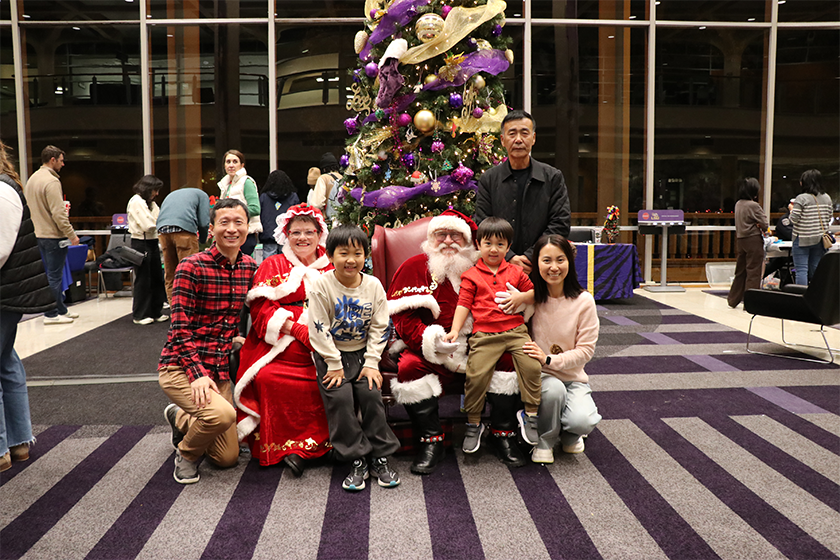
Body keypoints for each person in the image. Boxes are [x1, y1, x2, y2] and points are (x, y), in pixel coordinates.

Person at [388, 209, 530, 473]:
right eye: (441, 234)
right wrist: (430, 341)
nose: (448, 240)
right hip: (433, 350)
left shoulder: (489, 266)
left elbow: (518, 304)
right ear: (430, 238)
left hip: (485, 343)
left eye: (456, 235)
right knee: (408, 367)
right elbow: (403, 319)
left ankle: (503, 435)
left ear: (469, 241)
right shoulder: (413, 268)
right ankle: (431, 441)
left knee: (511, 360)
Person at [158, 198, 257, 484]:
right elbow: (179, 327)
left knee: (227, 458)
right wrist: (197, 374)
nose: (232, 229)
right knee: (223, 415)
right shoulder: (192, 267)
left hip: (220, 369)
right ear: (210, 229)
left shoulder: (248, 267)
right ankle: (186, 455)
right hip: (181, 367)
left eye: (238, 222)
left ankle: (181, 418)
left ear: (248, 228)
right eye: (224, 223)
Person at [235, 203, 332, 475]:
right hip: (278, 345)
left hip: (323, 346)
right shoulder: (272, 264)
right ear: (285, 235)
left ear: (319, 234)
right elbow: (260, 309)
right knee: (268, 378)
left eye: (308, 232)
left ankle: (324, 445)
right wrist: (294, 327)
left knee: (328, 378)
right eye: (296, 232)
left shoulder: (333, 264)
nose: (302, 238)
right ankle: (288, 448)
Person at [308, 225, 401, 492]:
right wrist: (334, 364)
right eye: (343, 253)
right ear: (330, 256)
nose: (351, 259)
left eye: (357, 253)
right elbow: (318, 328)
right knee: (340, 399)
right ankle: (356, 457)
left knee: (371, 395)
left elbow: (380, 327)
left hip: (364, 354)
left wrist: (372, 362)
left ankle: (380, 456)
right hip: (331, 355)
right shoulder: (321, 286)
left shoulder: (373, 285)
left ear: (365, 257)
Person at [445, 217, 542, 456]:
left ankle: (530, 415)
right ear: (478, 245)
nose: (494, 249)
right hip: (485, 334)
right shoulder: (471, 275)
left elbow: (535, 293)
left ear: (508, 248)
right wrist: (455, 330)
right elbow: (463, 305)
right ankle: (474, 423)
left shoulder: (516, 271)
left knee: (531, 365)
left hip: (516, 331)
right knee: (476, 374)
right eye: (488, 243)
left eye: (500, 244)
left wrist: (522, 298)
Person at [500, 235, 600, 464]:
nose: (553, 267)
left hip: (572, 376)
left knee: (582, 421)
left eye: (560, 260)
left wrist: (549, 359)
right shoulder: (532, 298)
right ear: (536, 264)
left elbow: (585, 351)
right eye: (546, 260)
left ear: (569, 263)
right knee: (553, 391)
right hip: (540, 377)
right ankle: (546, 439)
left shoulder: (584, 301)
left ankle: (570, 432)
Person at [0, 141, 54, 472]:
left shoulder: (3, 191)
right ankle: (18, 442)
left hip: (4, 292)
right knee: (6, 360)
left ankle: (3, 448)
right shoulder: (7, 187)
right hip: (9, 291)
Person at [475, 109, 571, 275]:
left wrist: (530, 256)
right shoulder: (489, 179)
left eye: (524, 133)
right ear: (503, 140)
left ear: (533, 139)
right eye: (512, 134)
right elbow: (482, 223)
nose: (518, 140)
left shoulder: (552, 177)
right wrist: (509, 256)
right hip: (498, 268)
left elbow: (560, 224)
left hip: (542, 268)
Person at [24, 145, 80, 325]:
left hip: (38, 235)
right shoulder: (52, 181)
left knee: (50, 274)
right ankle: (50, 313)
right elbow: (58, 213)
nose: (63, 165)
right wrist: (71, 235)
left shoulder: (32, 179)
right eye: (61, 161)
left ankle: (60, 309)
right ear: (53, 160)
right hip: (53, 236)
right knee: (55, 277)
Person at [156, 187, 211, 303]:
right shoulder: (203, 195)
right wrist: (202, 239)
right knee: (189, 272)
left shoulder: (173, 194)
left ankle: (174, 310)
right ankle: (190, 307)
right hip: (184, 230)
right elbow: (204, 222)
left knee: (170, 273)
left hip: (163, 231)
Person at [127, 175, 168, 325]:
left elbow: (158, 220)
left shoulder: (150, 203)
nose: (157, 193)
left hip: (152, 242)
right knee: (143, 280)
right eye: (155, 190)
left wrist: (157, 222)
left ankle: (155, 311)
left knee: (157, 278)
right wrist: (157, 222)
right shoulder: (136, 201)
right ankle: (140, 314)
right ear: (147, 189)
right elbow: (148, 225)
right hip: (140, 243)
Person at [727, 178, 768, 308]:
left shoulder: (738, 203)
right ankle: (750, 302)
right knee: (753, 271)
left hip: (741, 239)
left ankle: (733, 299)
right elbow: (765, 223)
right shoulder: (753, 205)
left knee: (740, 270)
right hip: (753, 239)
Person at [790, 169, 833, 285]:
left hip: (802, 239)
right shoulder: (827, 198)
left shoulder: (801, 198)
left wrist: (791, 210)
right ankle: (817, 297)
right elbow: (829, 218)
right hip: (820, 239)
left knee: (801, 270)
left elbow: (793, 219)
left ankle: (801, 297)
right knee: (816, 269)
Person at [217, 149, 261, 256]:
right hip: (229, 233)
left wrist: (232, 213)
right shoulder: (225, 185)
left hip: (244, 234)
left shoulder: (246, 182)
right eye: (228, 162)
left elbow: (255, 208)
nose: (231, 165)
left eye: (235, 162)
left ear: (242, 165)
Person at [258, 170, 299, 259]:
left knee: (269, 266)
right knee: (286, 264)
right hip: (286, 236)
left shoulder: (264, 197)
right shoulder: (293, 197)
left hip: (268, 236)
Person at [307, 153, 342, 222]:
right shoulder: (342, 178)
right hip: (342, 218)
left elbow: (317, 204)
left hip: (328, 219)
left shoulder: (323, 178)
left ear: (324, 168)